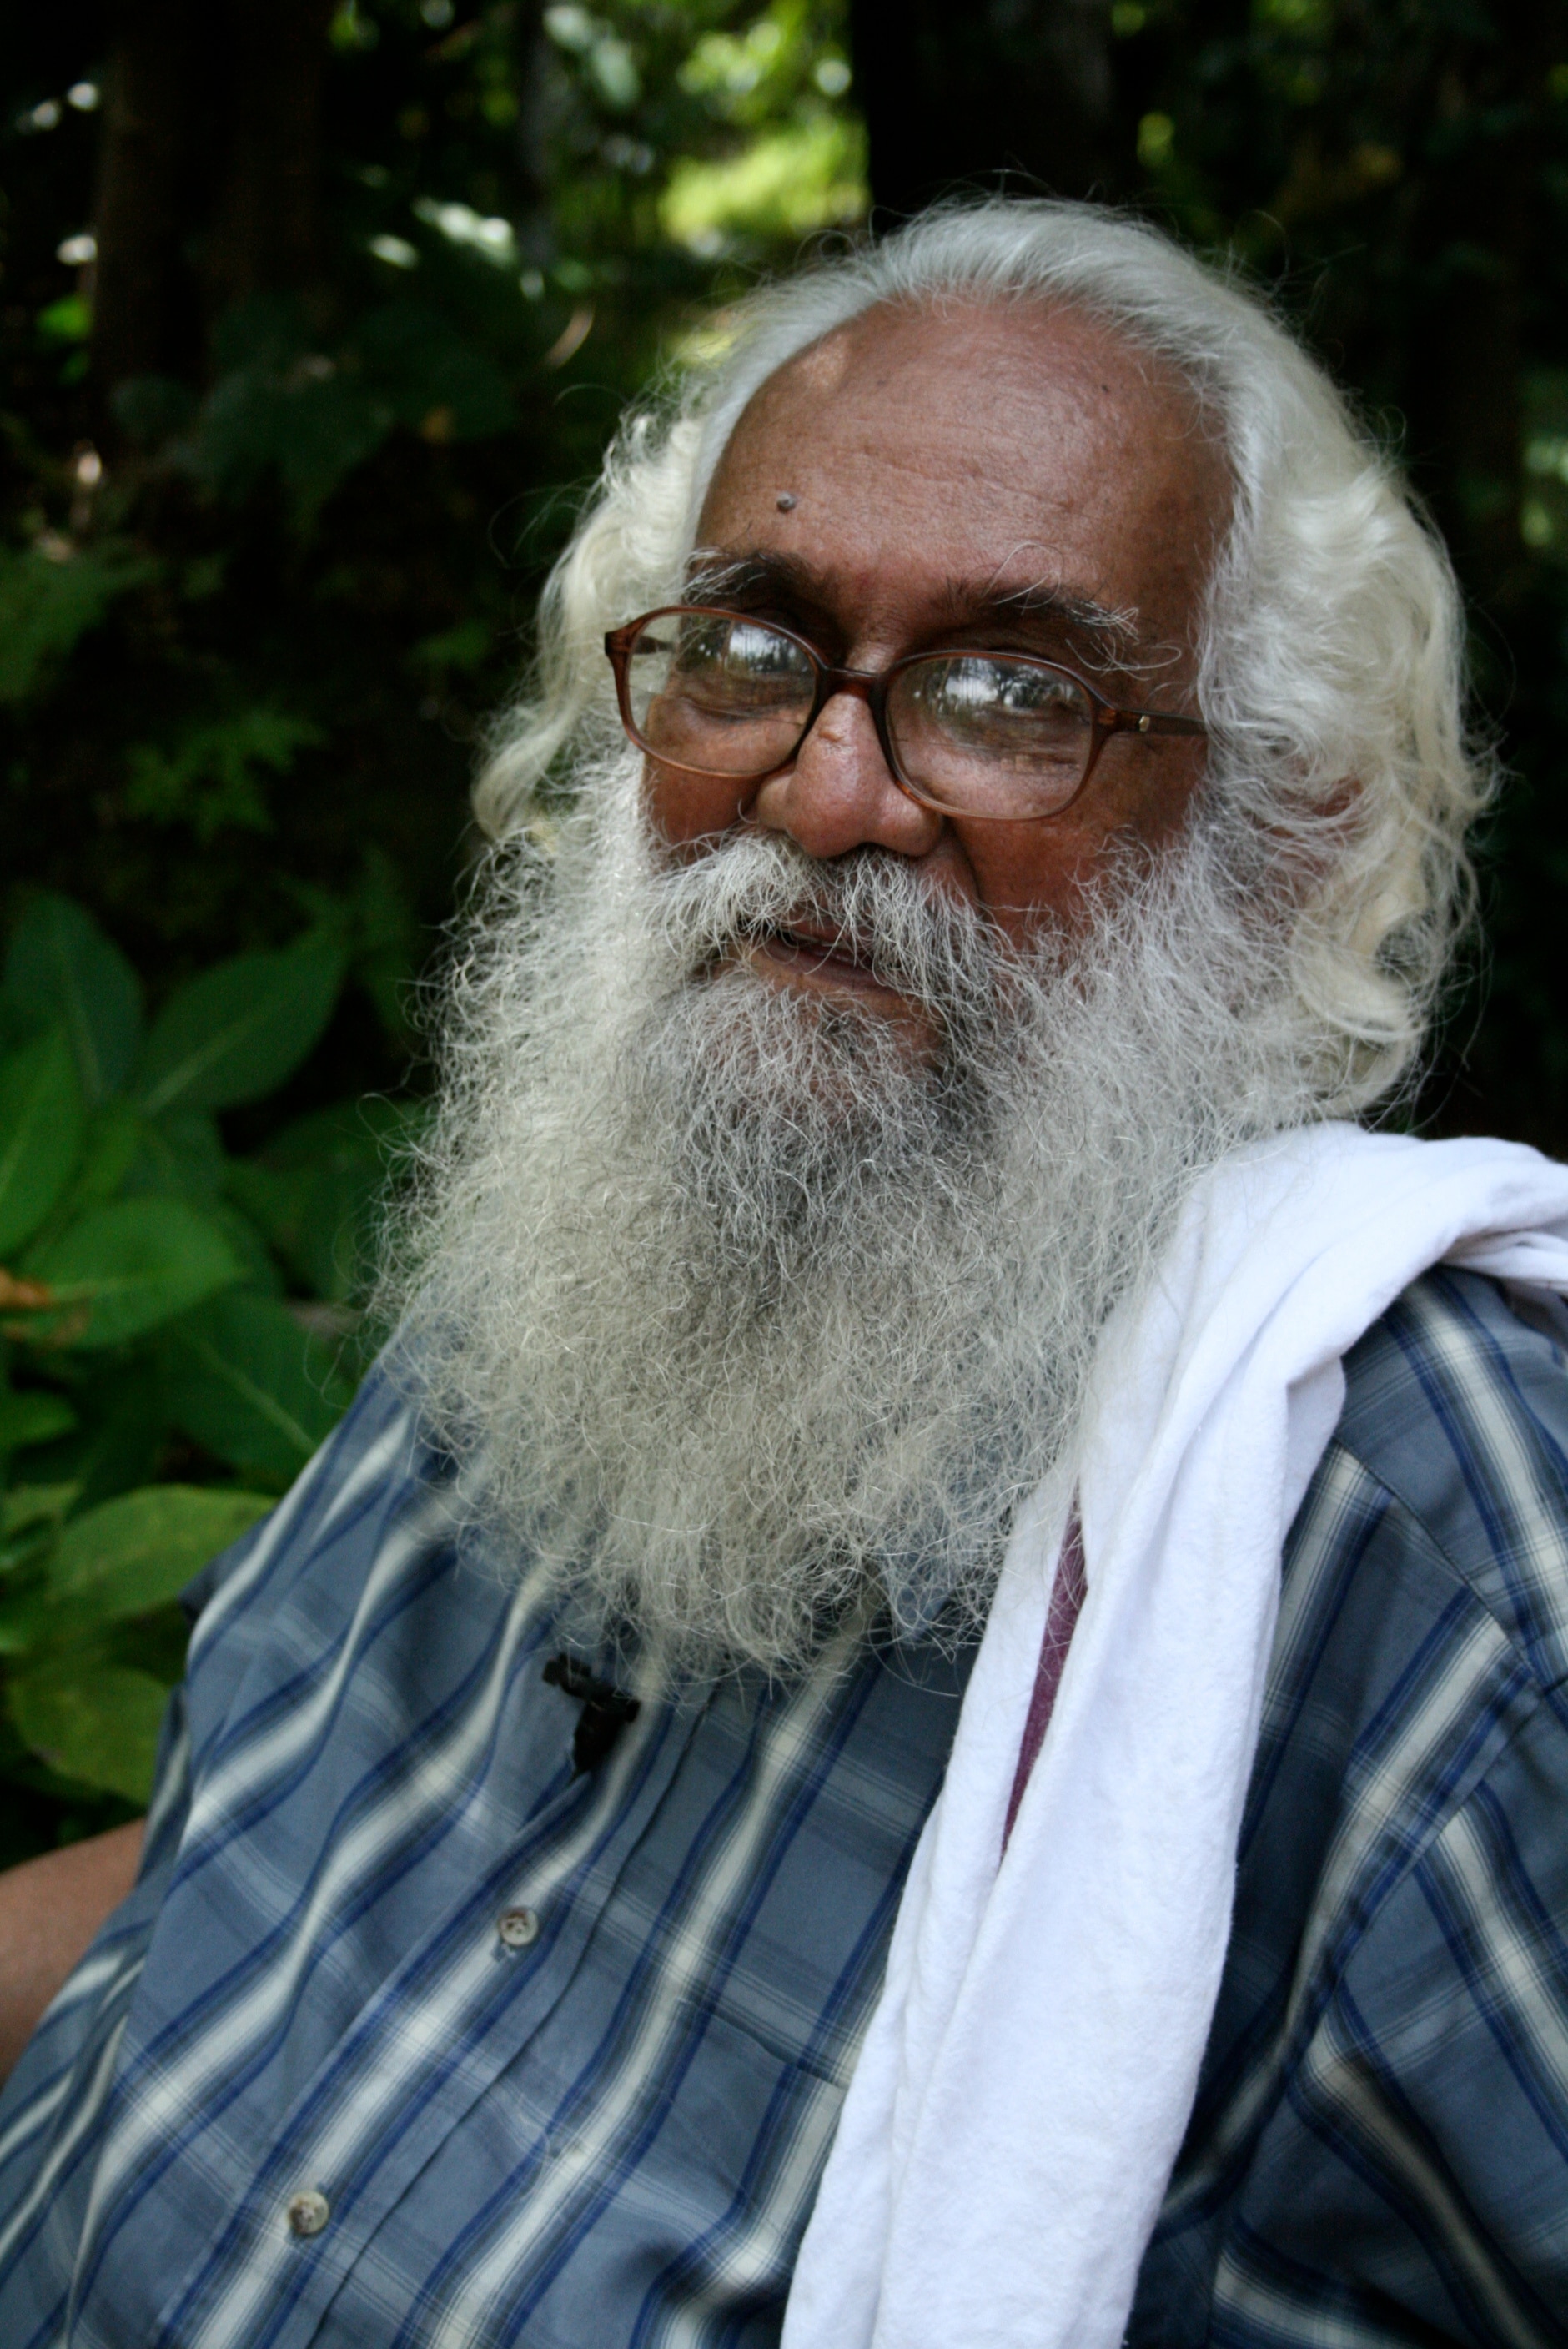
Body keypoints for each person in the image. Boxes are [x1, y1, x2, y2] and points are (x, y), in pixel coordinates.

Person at [3, 196, 1568, 2349]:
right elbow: (236, 1863)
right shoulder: (589, 1228)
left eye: (1013, 692)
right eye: (748, 647)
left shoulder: (1423, 1548)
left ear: (1282, 822)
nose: (828, 792)